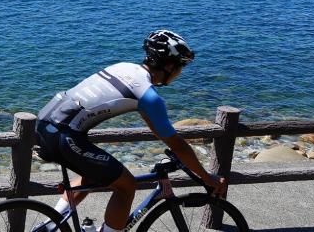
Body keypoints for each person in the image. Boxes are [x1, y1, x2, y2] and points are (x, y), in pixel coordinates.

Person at [34, 30, 224, 232]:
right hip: (64, 135)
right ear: (169, 65)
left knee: (92, 174)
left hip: (45, 123)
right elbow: (175, 143)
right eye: (181, 66)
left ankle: (51, 226)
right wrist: (206, 177)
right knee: (127, 186)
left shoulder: (123, 67)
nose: (180, 72)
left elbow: (159, 132)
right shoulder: (148, 96)